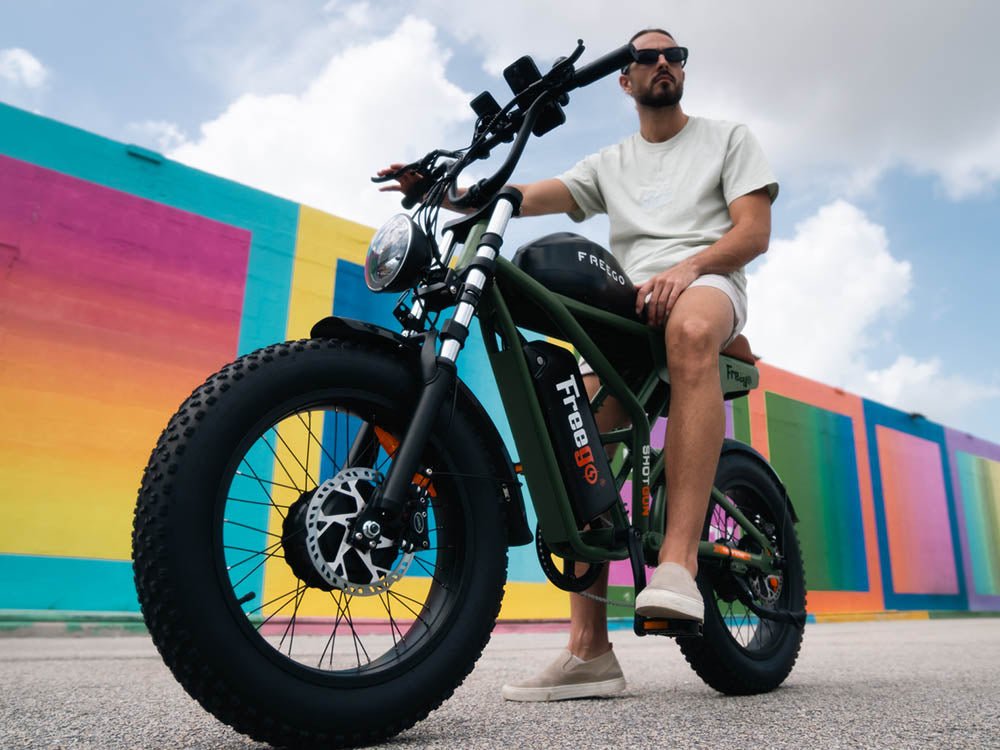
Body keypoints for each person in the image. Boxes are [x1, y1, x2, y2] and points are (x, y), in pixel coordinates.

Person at [379, 27, 777, 702]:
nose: (659, 64)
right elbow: (520, 196)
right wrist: (445, 191)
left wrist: (691, 266)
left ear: (682, 70)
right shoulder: (611, 162)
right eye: (642, 57)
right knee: (575, 440)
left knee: (689, 328)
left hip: (707, 287)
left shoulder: (727, 139)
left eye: (671, 55)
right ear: (623, 81)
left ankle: (677, 564)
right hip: (630, 308)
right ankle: (590, 652)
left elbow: (752, 232)